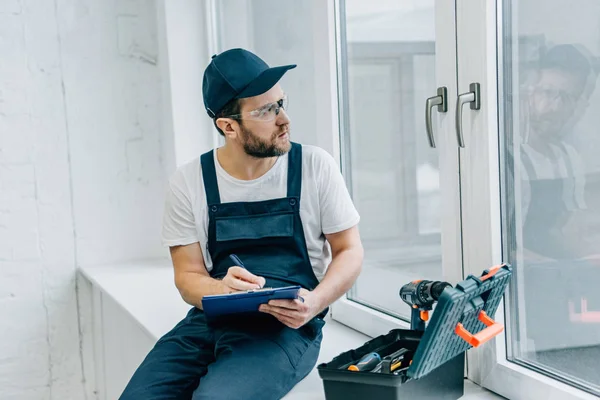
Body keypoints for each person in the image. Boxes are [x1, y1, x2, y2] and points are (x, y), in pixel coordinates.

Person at [119, 48, 364, 399]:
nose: (284, 120)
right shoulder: (189, 182)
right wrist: (221, 290)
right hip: (209, 322)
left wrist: (315, 303)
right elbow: (187, 277)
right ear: (228, 126)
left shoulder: (314, 166)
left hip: (284, 329)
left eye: (281, 103)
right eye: (267, 110)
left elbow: (349, 250)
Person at [515, 43, 598, 262]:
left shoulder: (569, 158)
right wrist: (560, 268)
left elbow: (568, 231)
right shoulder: (508, 160)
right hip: (522, 284)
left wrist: (588, 257)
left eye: (568, 98)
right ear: (529, 93)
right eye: (548, 92)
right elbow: (500, 251)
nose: (556, 107)